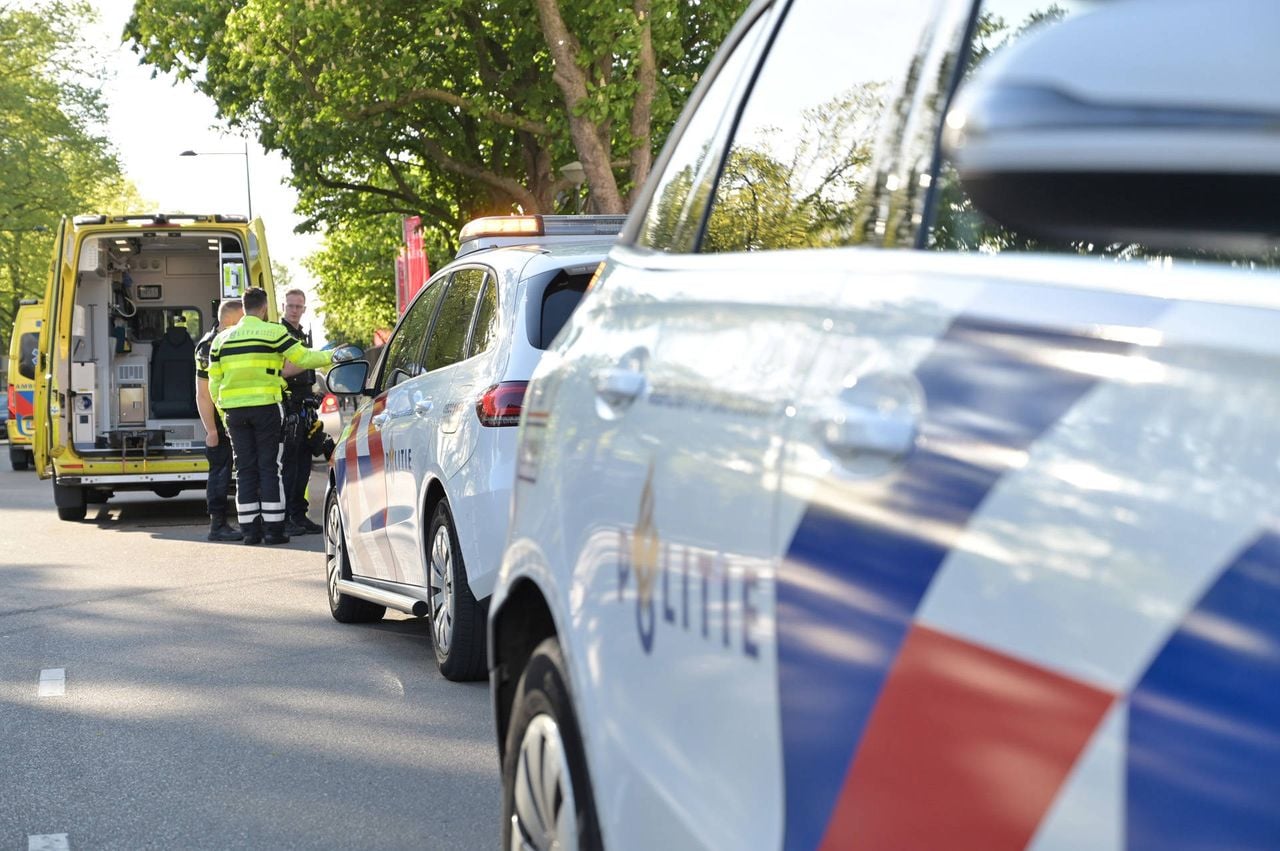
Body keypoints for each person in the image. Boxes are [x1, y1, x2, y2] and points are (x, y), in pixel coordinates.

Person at [207, 287, 334, 546]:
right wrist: (333, 356)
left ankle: (250, 532)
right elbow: (304, 357)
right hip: (266, 410)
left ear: (243, 308)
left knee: (244, 470)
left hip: (234, 413)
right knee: (270, 468)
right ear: (264, 308)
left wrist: (222, 411)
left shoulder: (221, 340)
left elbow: (213, 382)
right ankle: (274, 529)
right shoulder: (274, 333)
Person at [195, 298, 245, 542]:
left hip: (237, 417)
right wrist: (211, 430)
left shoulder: (232, 338)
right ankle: (218, 525)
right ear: (234, 319)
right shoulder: (209, 346)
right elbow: (202, 393)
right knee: (220, 472)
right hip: (221, 420)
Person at [279, 287, 323, 535]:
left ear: (304, 309)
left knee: (305, 461)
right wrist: (314, 358)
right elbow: (285, 370)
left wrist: (316, 390)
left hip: (306, 403)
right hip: (290, 405)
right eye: (291, 306)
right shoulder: (280, 334)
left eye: (299, 306)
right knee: (290, 463)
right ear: (283, 307)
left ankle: (299, 514)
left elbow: (306, 371)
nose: (295, 310)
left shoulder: (303, 335)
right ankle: (287, 516)